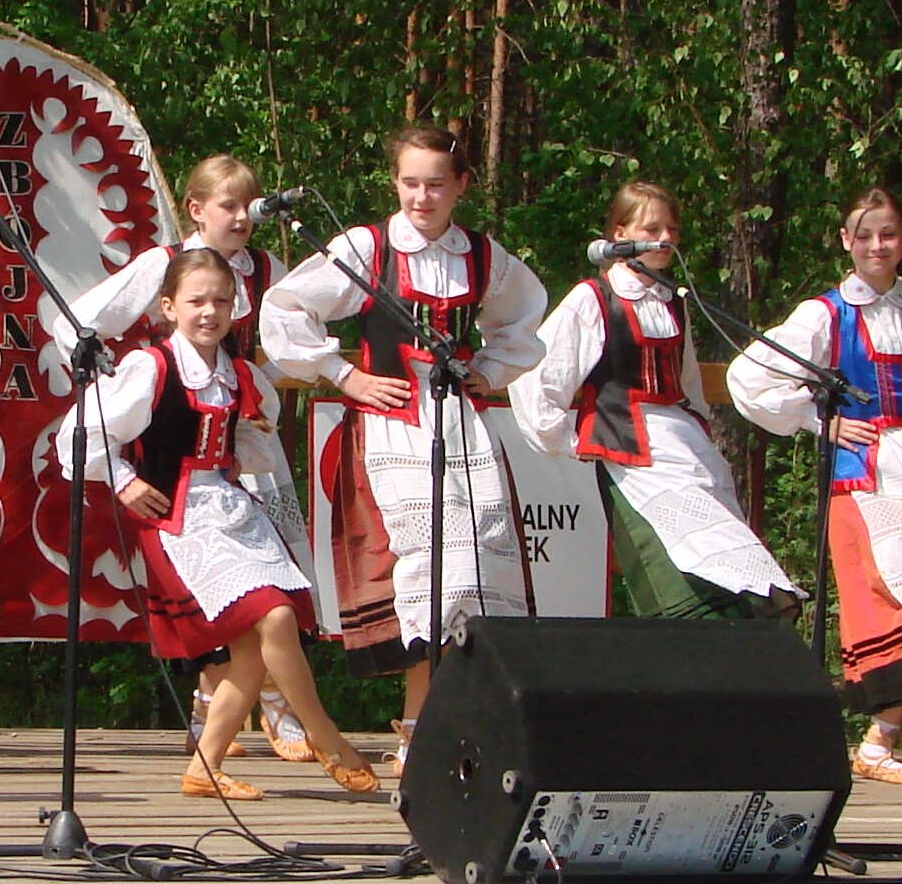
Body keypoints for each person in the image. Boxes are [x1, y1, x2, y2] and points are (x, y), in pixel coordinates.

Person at [260, 125, 547, 771]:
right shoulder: (368, 246)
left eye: (436, 184)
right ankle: (420, 729)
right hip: (393, 426)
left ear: (461, 186)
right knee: (425, 567)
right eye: (411, 182)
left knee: (475, 565)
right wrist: (344, 373)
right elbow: (284, 307)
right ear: (395, 183)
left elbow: (526, 316)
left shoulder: (480, 254)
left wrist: (490, 371)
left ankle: (449, 722)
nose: (422, 196)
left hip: (459, 420)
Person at [726, 187, 902, 788]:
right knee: (889, 593)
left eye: (886, 234)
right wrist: (819, 419)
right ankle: (888, 737)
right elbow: (750, 376)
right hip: (862, 473)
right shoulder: (827, 314)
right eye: (863, 235)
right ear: (846, 242)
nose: (875, 246)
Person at [73, 249, 380, 800]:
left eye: (221, 300)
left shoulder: (238, 374)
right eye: (196, 301)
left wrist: (245, 437)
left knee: (249, 648)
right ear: (169, 307)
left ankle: (204, 768)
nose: (209, 311)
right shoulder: (152, 367)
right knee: (277, 614)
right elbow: (82, 432)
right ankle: (328, 737)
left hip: (231, 508)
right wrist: (124, 481)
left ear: (236, 307)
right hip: (177, 518)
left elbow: (250, 444)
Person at [66, 154, 318, 763]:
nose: (241, 217)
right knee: (219, 590)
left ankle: (272, 707)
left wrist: (260, 381)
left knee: (274, 578)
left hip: (242, 437)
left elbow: (293, 343)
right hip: (178, 450)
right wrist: (122, 378)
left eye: (247, 205)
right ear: (196, 208)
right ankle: (219, 711)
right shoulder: (164, 264)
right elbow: (75, 323)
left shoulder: (265, 271)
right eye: (227, 205)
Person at [510, 182, 800, 620]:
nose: (664, 239)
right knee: (678, 578)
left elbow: (688, 386)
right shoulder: (595, 299)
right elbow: (537, 374)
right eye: (651, 228)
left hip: (685, 452)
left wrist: (699, 430)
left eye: (671, 229)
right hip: (633, 457)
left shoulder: (673, 302)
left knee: (731, 571)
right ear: (620, 234)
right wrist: (573, 439)